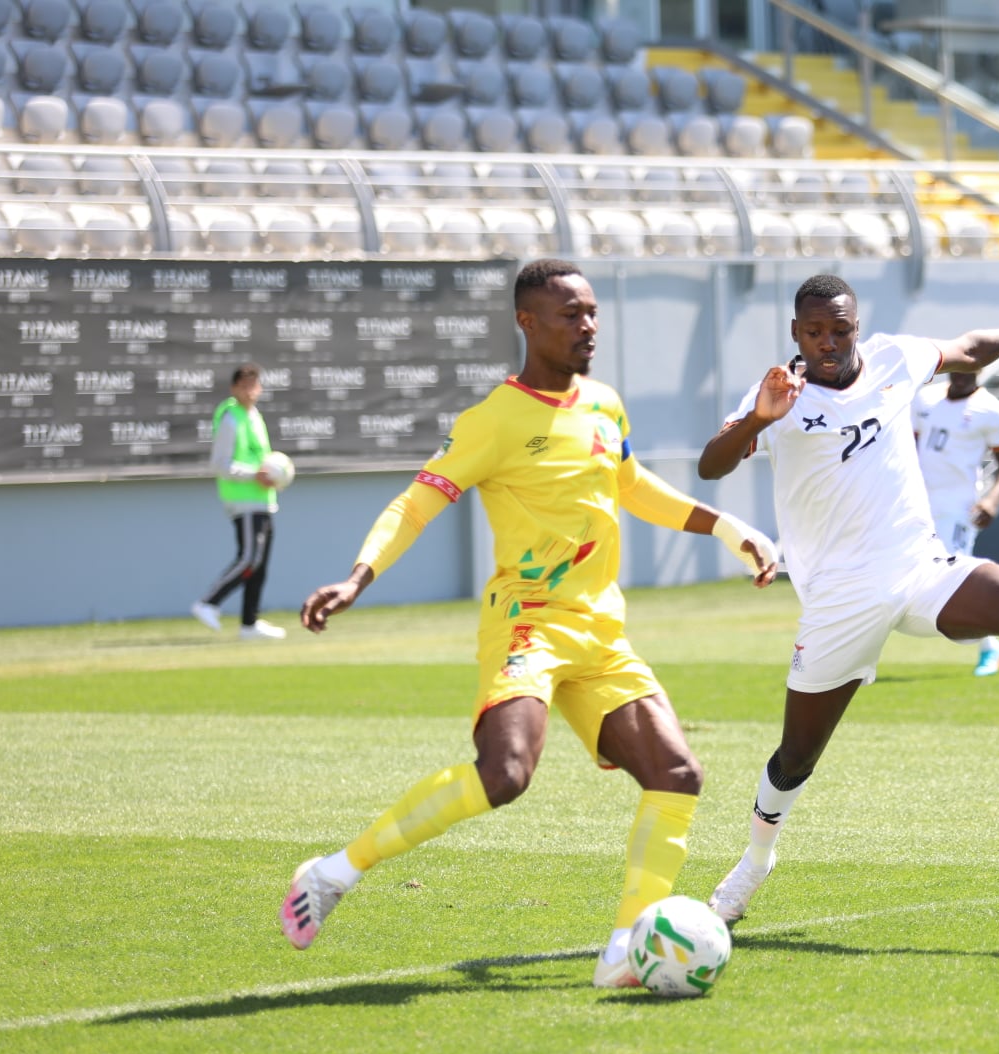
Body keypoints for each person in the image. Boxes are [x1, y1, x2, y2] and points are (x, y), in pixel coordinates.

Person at [276, 259, 779, 990]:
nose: (587, 326)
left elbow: (631, 485)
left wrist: (728, 527)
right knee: (506, 775)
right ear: (527, 322)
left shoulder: (605, 404)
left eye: (592, 313)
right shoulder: (494, 419)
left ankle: (620, 954)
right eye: (570, 314)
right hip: (528, 627)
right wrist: (359, 575)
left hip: (601, 633)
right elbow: (415, 503)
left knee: (677, 773)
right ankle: (332, 873)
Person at [695, 274, 999, 922]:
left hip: (919, 565)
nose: (828, 343)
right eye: (814, 332)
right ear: (796, 333)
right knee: (795, 758)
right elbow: (712, 464)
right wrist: (758, 418)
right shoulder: (780, 395)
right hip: (838, 600)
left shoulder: (895, 359)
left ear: (856, 325)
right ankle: (755, 862)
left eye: (839, 330)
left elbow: (971, 346)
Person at [912, 366, 999, 677]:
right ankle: (861, 660)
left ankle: (990, 648)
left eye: (969, 369)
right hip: (916, 503)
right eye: (956, 368)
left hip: (958, 507)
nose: (961, 375)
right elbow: (909, 447)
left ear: (981, 369)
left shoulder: (992, 411)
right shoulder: (925, 399)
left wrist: (992, 500)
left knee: (956, 578)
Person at [191, 363, 287, 639]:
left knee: (260, 564)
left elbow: (262, 461)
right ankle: (208, 602)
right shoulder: (231, 418)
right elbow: (221, 464)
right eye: (244, 386)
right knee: (248, 558)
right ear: (234, 389)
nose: (250, 391)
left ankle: (250, 624)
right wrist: (254, 475)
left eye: (254, 385)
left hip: (262, 500)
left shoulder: (255, 416)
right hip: (242, 501)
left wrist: (273, 477)